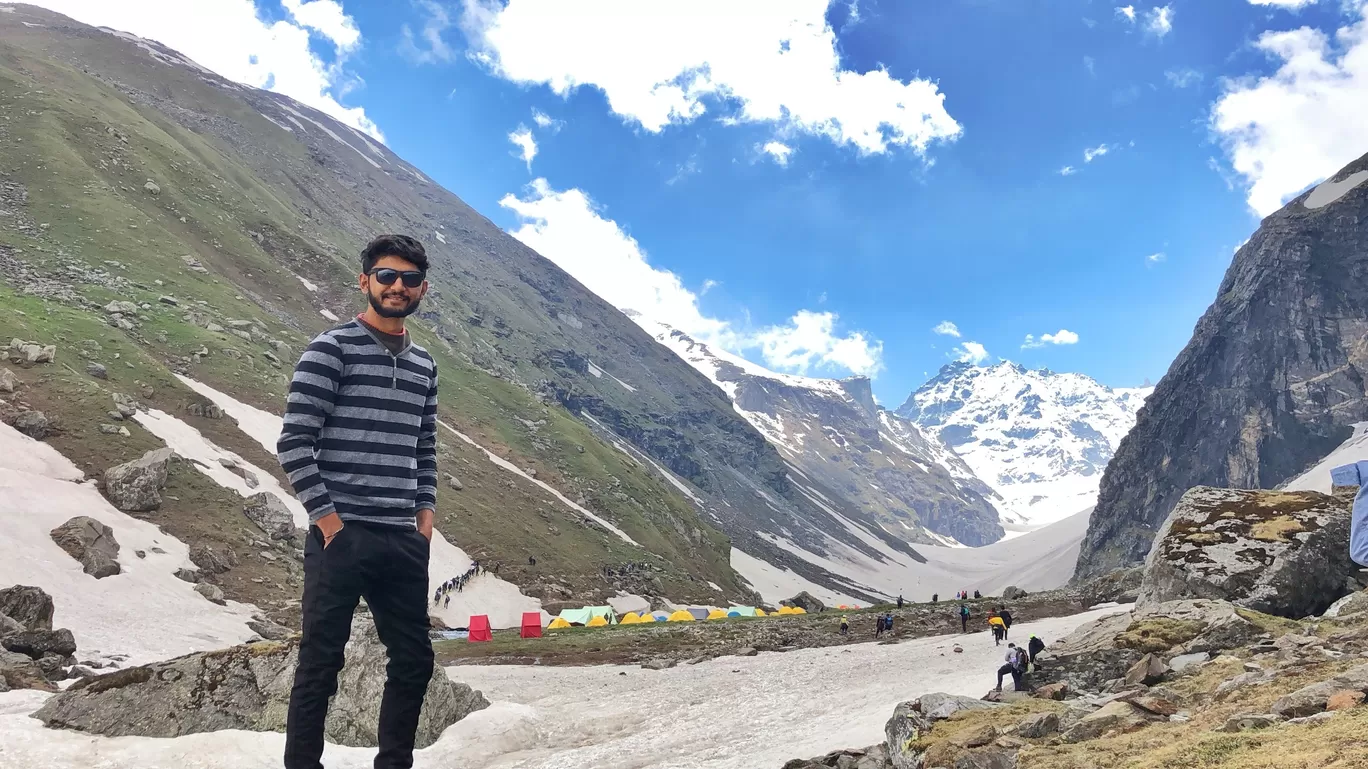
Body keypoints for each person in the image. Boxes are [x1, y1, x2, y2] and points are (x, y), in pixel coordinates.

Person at [279, 234, 438, 769]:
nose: (398, 287)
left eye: (410, 279)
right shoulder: (332, 347)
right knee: (320, 665)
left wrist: (425, 519)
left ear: (422, 289)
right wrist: (329, 523)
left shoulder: (425, 366)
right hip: (341, 536)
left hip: (402, 539)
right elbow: (295, 442)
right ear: (364, 280)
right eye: (387, 276)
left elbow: (424, 448)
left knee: (414, 660)